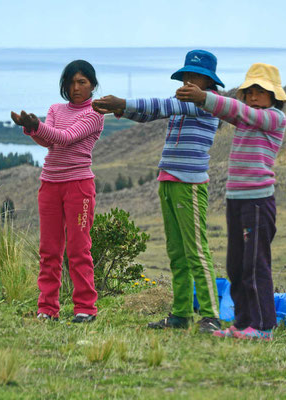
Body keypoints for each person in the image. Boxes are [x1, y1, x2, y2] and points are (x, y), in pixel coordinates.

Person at [92, 50, 224, 333]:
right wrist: (124, 110)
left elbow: (161, 106)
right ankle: (181, 314)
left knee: (196, 251)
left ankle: (211, 316)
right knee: (177, 252)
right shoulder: (184, 104)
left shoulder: (206, 105)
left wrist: (124, 102)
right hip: (168, 180)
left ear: (209, 82)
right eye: (186, 75)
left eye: (195, 76)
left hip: (188, 184)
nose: (188, 81)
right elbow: (151, 114)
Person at [175, 63, 286, 341]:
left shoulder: (274, 118)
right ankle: (242, 323)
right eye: (249, 90)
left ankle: (262, 326)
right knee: (236, 265)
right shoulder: (247, 117)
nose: (253, 96)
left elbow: (237, 110)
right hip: (236, 200)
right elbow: (229, 110)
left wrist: (205, 97)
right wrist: (206, 98)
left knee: (254, 264)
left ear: (274, 96)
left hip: (258, 202)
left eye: (260, 91)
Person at [10, 60, 104, 323]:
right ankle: (47, 308)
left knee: (78, 248)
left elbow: (65, 137)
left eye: (82, 82)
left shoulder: (95, 114)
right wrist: (30, 128)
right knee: (49, 249)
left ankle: (85, 307)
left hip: (79, 186)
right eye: (71, 82)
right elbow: (48, 139)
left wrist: (36, 126)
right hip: (50, 184)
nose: (76, 87)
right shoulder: (55, 109)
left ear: (93, 85)